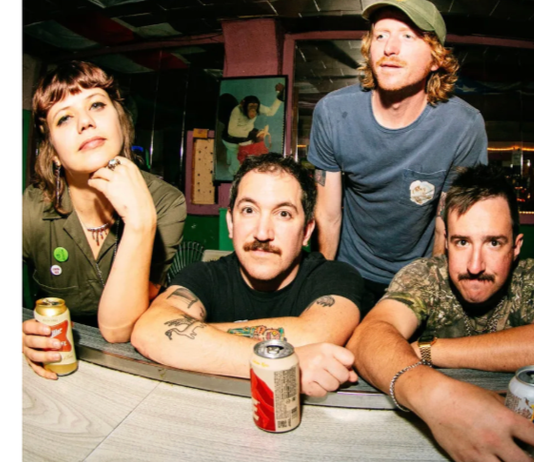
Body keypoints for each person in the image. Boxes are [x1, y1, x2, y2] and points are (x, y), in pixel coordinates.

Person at [347, 164, 534, 462]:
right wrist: (437, 399)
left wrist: (433, 350)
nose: (475, 265)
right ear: (446, 242)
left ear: (516, 247)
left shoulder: (533, 279)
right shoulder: (425, 276)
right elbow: (367, 337)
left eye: (493, 243)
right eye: (462, 242)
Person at [131, 153, 366, 397]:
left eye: (283, 213)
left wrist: (198, 334)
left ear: (307, 231)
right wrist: (280, 363)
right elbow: (149, 331)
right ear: (231, 223)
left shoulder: (334, 276)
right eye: (249, 210)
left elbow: (316, 334)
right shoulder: (204, 276)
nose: (263, 233)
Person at [308, 0, 487, 304]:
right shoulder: (333, 113)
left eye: (408, 35)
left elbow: (447, 223)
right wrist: (324, 284)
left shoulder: (463, 125)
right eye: (381, 35)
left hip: (417, 275)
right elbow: (328, 214)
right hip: (349, 271)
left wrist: (431, 291)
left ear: (436, 59)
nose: (390, 48)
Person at [22, 61, 186, 379]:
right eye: (64, 117)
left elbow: (117, 330)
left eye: (96, 104)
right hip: (62, 363)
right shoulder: (30, 210)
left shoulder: (166, 201)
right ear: (53, 151)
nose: (85, 122)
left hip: (137, 365)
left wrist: (140, 222)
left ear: (120, 123)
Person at [223, 84, 284, 166]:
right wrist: (251, 134)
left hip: (245, 134)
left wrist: (280, 97)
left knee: (237, 154)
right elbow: (231, 131)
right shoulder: (237, 110)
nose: (253, 110)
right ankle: (231, 164)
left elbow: (270, 112)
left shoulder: (257, 107)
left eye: (255, 107)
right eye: (250, 106)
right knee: (236, 160)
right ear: (243, 105)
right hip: (231, 136)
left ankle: (229, 159)